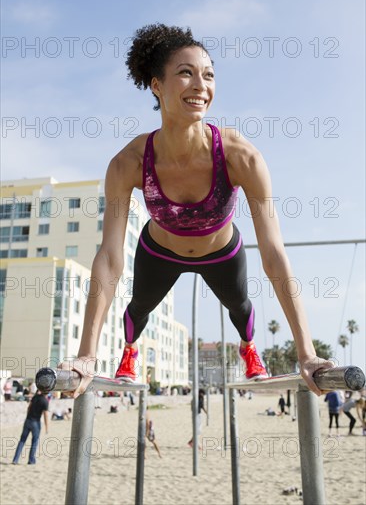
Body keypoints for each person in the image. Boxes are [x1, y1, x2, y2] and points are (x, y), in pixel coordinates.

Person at [59, 23, 334, 397]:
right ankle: (129, 352)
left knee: (240, 307)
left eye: (208, 75)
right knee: (139, 307)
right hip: (159, 251)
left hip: (221, 251)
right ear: (156, 85)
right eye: (185, 73)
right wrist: (86, 355)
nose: (200, 86)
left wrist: (307, 353)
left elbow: (274, 253)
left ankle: (249, 349)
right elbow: (109, 256)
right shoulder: (128, 162)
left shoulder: (241, 156)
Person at [12, 389, 49, 465]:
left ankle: (15, 459)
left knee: (22, 440)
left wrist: (28, 417)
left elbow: (28, 408)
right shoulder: (45, 401)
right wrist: (47, 427)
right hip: (36, 422)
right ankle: (31, 460)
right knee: (34, 442)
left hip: (28, 420)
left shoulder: (35, 397)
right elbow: (45, 415)